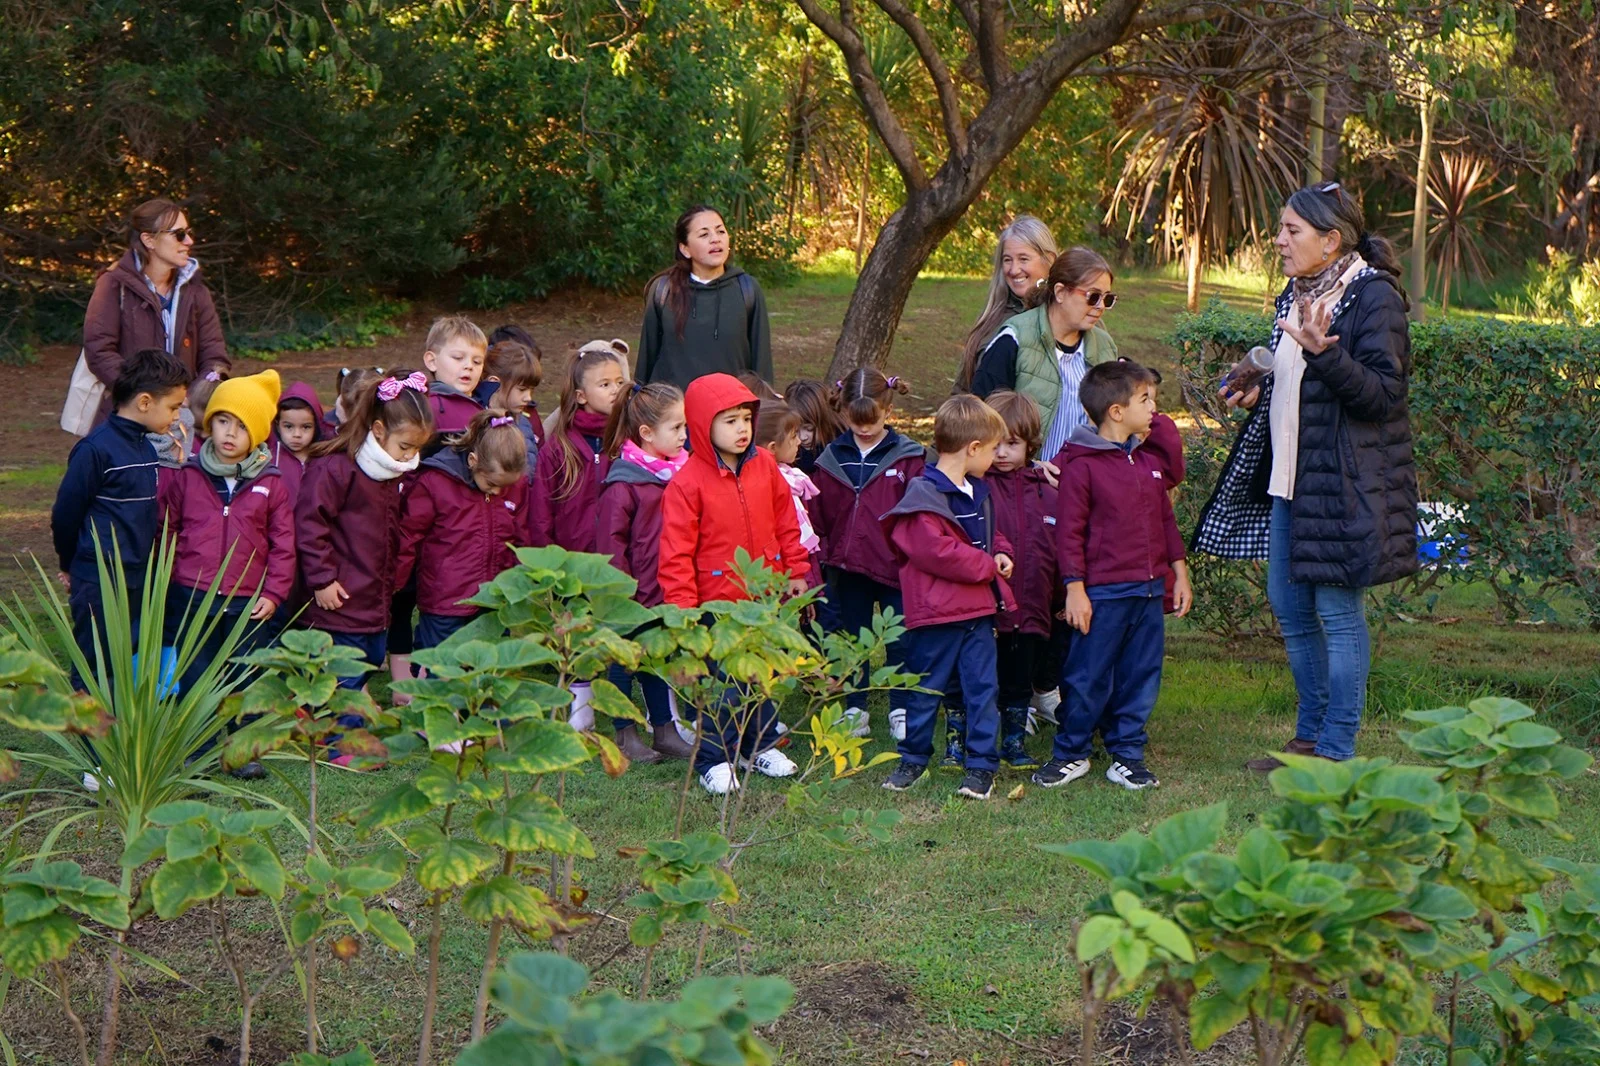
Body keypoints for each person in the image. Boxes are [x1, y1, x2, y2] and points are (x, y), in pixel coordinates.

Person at [1193, 181, 1417, 770]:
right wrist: (1258, 389)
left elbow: (1383, 396)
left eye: (1292, 230)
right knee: (1291, 610)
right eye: (1281, 229)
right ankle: (1308, 739)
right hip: (1291, 481)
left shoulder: (1373, 297)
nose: (1279, 240)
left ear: (1331, 240)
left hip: (1345, 485)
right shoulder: (1294, 295)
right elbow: (1299, 388)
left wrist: (1326, 354)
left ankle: (1336, 750)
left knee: (1339, 616)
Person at [1034, 361, 1192, 792]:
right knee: (1087, 675)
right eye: (1145, 400)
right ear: (1117, 412)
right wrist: (1075, 590)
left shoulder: (1148, 462)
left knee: (1140, 675)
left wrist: (1179, 574)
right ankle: (1071, 752)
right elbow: (1068, 533)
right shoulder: (1082, 466)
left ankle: (1127, 755)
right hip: (1102, 593)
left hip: (1148, 592)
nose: (1154, 407)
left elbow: (1166, 523)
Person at [658, 374, 807, 795]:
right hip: (716, 604)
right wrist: (684, 611)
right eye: (730, 421)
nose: (742, 429)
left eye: (746, 418)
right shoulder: (688, 483)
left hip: (764, 596)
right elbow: (675, 554)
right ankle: (714, 758)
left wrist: (796, 569)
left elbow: (786, 521)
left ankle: (759, 745)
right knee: (722, 686)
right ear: (703, 424)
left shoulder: (765, 465)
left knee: (763, 674)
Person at [158, 369, 297, 778]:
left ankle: (243, 751)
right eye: (222, 421)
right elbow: (167, 530)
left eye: (241, 425)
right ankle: (197, 749)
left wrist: (274, 592)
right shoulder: (188, 476)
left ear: (257, 433)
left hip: (247, 601)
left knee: (244, 675)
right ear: (209, 423)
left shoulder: (271, 484)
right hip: (193, 595)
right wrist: (167, 580)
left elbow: (284, 544)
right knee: (196, 673)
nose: (230, 433)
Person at [880, 395, 1015, 801]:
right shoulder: (923, 495)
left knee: (982, 691)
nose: (996, 457)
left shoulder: (979, 491)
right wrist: (987, 565)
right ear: (973, 449)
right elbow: (938, 552)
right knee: (925, 690)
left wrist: (1001, 551)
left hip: (978, 613)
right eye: (992, 449)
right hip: (937, 616)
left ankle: (981, 767)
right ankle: (913, 760)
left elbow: (991, 534)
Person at [296, 370, 435, 766]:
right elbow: (310, 525)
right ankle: (342, 744)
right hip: (340, 595)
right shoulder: (335, 468)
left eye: (416, 448)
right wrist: (322, 579)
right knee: (346, 670)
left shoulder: (392, 473)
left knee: (369, 658)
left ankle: (322, 713)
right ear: (377, 430)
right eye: (405, 446)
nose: (409, 456)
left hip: (374, 593)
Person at [52, 349, 190, 697]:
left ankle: (121, 728)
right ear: (145, 402)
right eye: (173, 407)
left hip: (137, 578)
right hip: (98, 580)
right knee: (94, 667)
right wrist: (69, 564)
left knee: (125, 661)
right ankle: (89, 730)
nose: (177, 416)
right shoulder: (95, 450)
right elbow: (65, 515)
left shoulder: (148, 450)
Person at [809, 369, 926, 741]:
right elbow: (819, 514)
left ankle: (900, 707)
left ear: (888, 412)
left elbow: (919, 514)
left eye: (871, 421)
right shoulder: (830, 458)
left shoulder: (910, 457)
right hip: (849, 569)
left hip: (895, 567)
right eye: (855, 420)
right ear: (843, 412)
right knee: (853, 638)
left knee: (900, 640)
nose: (863, 428)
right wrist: (825, 555)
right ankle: (855, 706)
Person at [395, 412, 533, 716]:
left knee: (488, 667)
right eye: (492, 484)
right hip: (445, 599)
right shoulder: (434, 482)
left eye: (506, 487)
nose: (498, 492)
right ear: (473, 461)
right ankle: (436, 722)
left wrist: (518, 582)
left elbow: (520, 536)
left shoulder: (514, 485)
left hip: (493, 599)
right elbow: (408, 536)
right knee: (441, 665)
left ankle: (482, 723)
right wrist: (394, 582)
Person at [596, 382, 694, 763]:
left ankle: (664, 729)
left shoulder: (677, 474)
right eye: (676, 427)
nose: (684, 435)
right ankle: (624, 734)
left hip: (663, 590)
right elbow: (610, 545)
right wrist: (621, 594)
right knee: (623, 662)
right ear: (647, 433)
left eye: (685, 426)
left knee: (656, 660)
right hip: (631, 597)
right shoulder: (624, 484)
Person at [81, 198, 230, 425]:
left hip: (184, 418)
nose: (189, 241)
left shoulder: (196, 291)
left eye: (188, 232)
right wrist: (145, 396)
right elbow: (99, 351)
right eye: (179, 234)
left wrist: (192, 397)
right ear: (149, 240)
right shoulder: (113, 285)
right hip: (128, 420)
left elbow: (215, 357)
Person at [970, 247, 1121, 459]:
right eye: (1093, 296)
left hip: (1083, 477)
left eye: (1107, 299)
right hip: (1022, 476)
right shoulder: (1014, 339)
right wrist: (1030, 469)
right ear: (1060, 292)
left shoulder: (1105, 346)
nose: (1100, 306)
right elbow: (980, 419)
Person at [983, 391, 1057, 771]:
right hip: (986, 605)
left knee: (1020, 677)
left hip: (1033, 602)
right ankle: (977, 739)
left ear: (1030, 444)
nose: (1001, 453)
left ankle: (1014, 740)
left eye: (1011, 444)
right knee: (985, 675)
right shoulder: (974, 485)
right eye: (993, 443)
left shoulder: (1046, 488)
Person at [637, 205, 773, 389]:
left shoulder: (747, 289)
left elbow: (762, 362)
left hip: (731, 404)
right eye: (704, 234)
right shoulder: (664, 291)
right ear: (685, 249)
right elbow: (646, 360)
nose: (715, 239)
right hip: (675, 405)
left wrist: (764, 402)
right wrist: (639, 399)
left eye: (720, 231)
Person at [528, 341, 629, 553]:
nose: (616, 390)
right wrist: (548, 563)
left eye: (620, 382)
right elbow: (540, 515)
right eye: (605, 385)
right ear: (581, 396)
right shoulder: (558, 448)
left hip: (616, 563)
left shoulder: (628, 443)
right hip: (568, 564)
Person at [955, 215, 1060, 393]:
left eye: (1023, 259)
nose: (1013, 270)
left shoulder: (1071, 316)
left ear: (1049, 260)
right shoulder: (992, 318)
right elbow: (961, 391)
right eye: (1007, 260)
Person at [477, 337, 545, 472]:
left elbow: (530, 471)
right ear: (494, 382)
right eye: (522, 389)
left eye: (531, 390)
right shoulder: (475, 420)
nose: (528, 398)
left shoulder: (524, 424)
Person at [422, 315, 488, 435]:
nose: (469, 366)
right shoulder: (426, 409)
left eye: (477, 362)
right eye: (458, 357)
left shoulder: (490, 404)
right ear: (432, 361)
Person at [270, 382, 326, 505]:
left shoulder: (325, 458)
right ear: (278, 425)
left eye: (306, 427)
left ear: (316, 426)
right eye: (288, 426)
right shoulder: (269, 458)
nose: (297, 434)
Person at [783, 378, 843, 476]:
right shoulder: (785, 452)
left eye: (809, 429)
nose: (802, 437)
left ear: (824, 420)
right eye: (795, 430)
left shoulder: (841, 446)